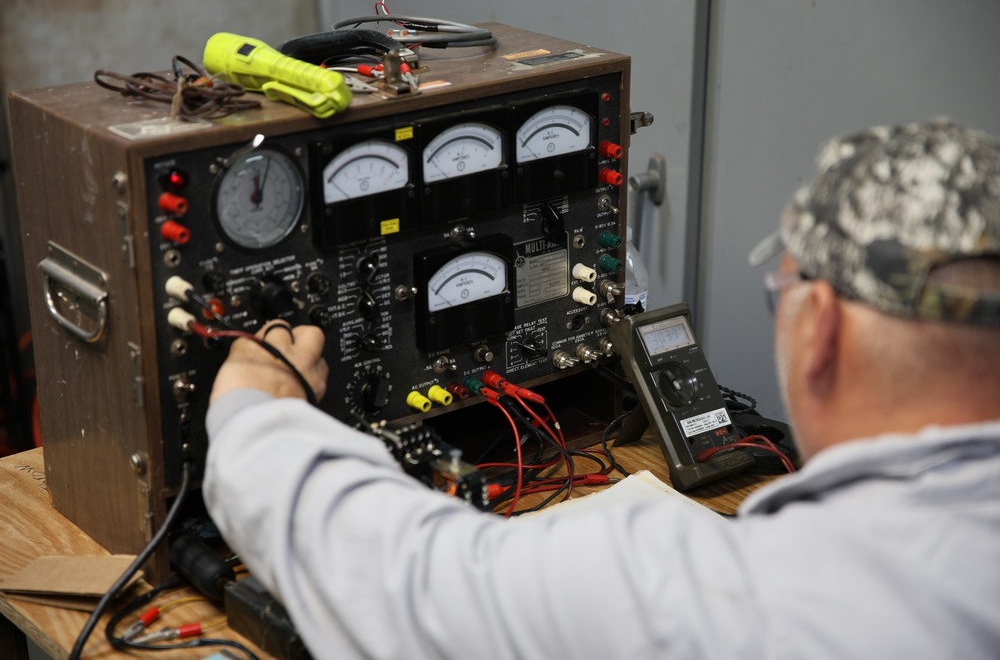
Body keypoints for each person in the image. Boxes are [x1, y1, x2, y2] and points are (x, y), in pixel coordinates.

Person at [203, 120, 1000, 659]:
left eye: (779, 291)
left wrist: (252, 408)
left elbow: (402, 579)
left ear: (819, 325)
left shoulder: (727, 597)